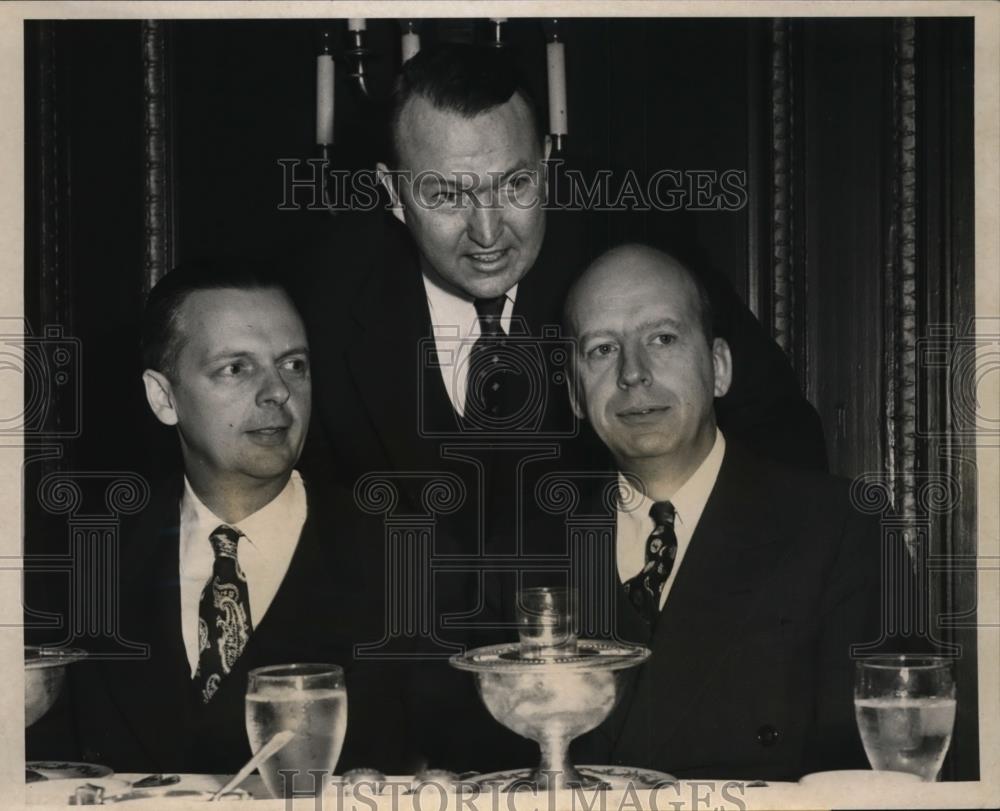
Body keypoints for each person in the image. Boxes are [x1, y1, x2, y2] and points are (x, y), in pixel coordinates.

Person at [292, 42, 827, 770]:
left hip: (614, 726)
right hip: (404, 735)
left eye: (513, 184)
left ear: (546, 160)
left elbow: (781, 433)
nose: (488, 233)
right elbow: (304, 528)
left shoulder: (629, 257)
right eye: (448, 195)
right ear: (392, 191)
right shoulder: (325, 293)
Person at [37, 260, 407, 778]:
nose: (277, 391)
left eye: (294, 364)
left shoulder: (407, 559)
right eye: (236, 368)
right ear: (164, 398)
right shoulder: (76, 567)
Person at [560, 244, 882, 780]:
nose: (632, 374)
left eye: (662, 339)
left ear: (718, 368)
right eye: (601, 349)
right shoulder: (519, 553)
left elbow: (868, 779)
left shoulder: (839, 533)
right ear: (574, 391)